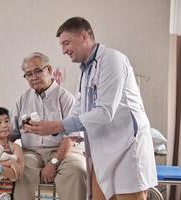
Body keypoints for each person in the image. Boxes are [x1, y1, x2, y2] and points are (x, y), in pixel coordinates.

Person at [24, 17, 157, 200]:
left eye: (66, 43)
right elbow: (79, 111)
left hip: (126, 146)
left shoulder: (112, 60)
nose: (63, 50)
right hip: (102, 150)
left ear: (84, 36)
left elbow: (105, 112)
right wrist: (50, 127)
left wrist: (58, 126)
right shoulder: (85, 71)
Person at [11, 52, 87, 200]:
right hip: (32, 152)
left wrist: (53, 163)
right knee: (20, 168)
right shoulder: (22, 100)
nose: (33, 77)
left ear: (49, 70)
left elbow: (71, 138)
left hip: (65, 152)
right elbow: (12, 133)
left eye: (38, 71)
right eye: (28, 74)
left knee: (77, 170)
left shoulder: (66, 99)